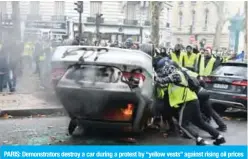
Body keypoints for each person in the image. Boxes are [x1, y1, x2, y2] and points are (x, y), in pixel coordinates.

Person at [155, 58, 226, 145]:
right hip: (193, 100)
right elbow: (163, 84)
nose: (163, 72)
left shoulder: (176, 75)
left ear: (169, 68)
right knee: (200, 122)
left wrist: (154, 75)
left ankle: (199, 140)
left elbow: (161, 80)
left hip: (188, 102)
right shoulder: (178, 75)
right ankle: (219, 137)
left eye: (164, 70)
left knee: (182, 124)